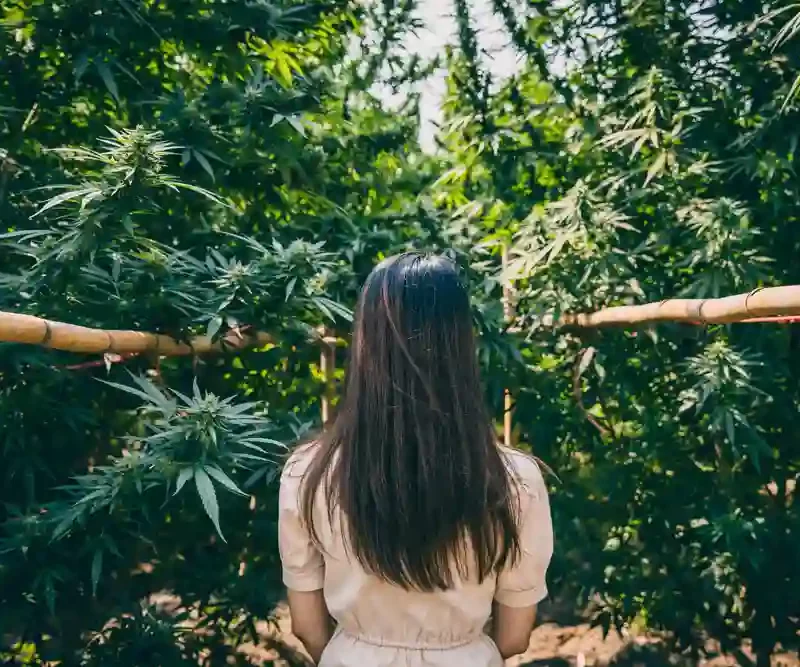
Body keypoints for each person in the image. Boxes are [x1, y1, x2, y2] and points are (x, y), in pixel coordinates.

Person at [278, 252, 554, 666]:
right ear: (460, 344)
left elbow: (307, 626)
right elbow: (514, 637)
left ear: (365, 342)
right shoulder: (514, 479)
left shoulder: (309, 473)